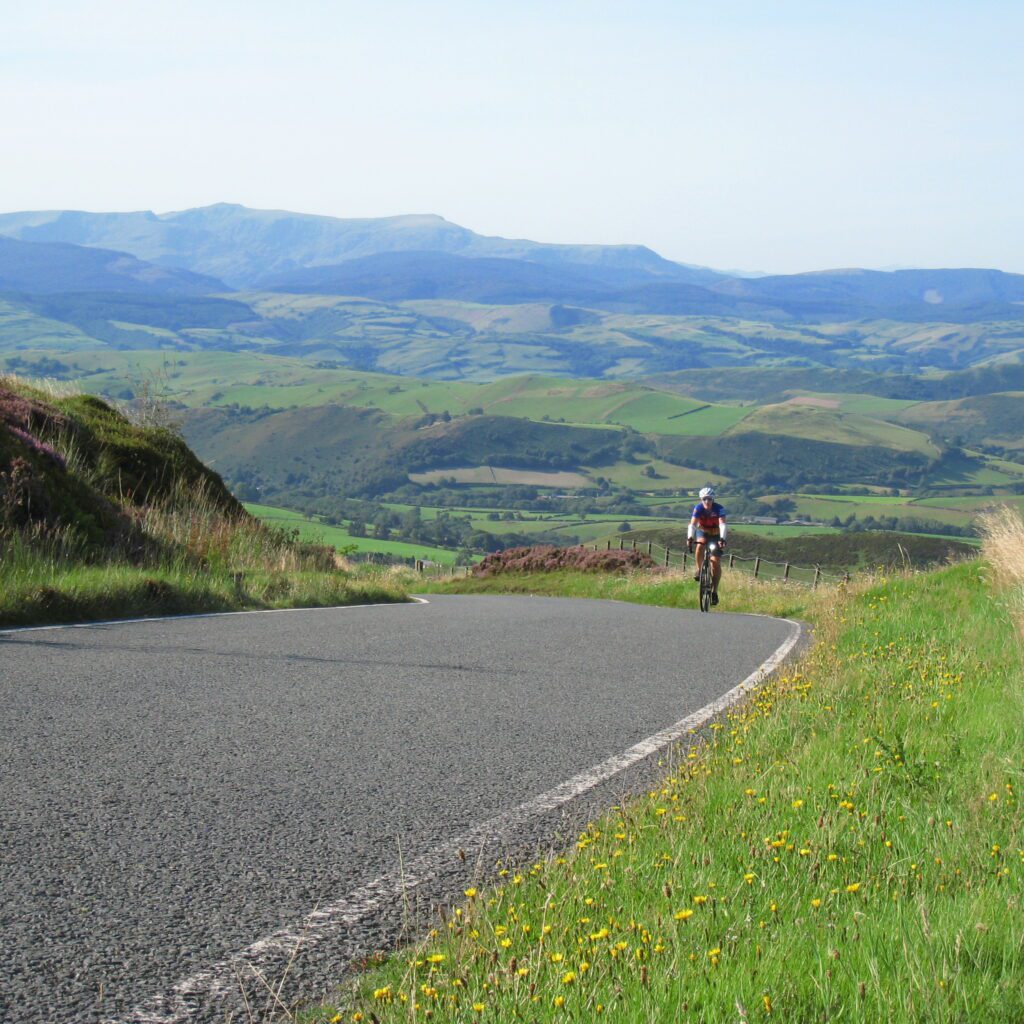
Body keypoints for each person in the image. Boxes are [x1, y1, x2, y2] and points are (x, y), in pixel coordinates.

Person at [687, 486, 727, 605]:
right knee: (700, 545)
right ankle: (699, 570)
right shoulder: (698, 508)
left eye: (709, 499)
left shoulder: (719, 509)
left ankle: (714, 592)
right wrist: (690, 537)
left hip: (716, 534)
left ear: (713, 499)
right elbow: (693, 525)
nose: (707, 502)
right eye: (704, 499)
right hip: (703, 531)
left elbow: (723, 525)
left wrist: (722, 539)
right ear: (701, 500)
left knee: (715, 562)